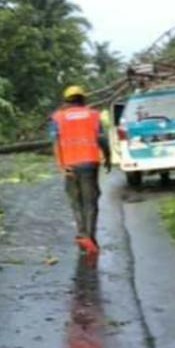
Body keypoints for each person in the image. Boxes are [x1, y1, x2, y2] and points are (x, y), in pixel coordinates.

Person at [49, 85, 111, 257]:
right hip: (90, 163)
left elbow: (55, 142)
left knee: (76, 202)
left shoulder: (57, 117)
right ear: (83, 99)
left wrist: (61, 165)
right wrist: (108, 156)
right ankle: (90, 237)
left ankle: (82, 235)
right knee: (90, 202)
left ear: (66, 100)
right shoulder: (93, 115)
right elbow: (101, 138)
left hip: (70, 165)